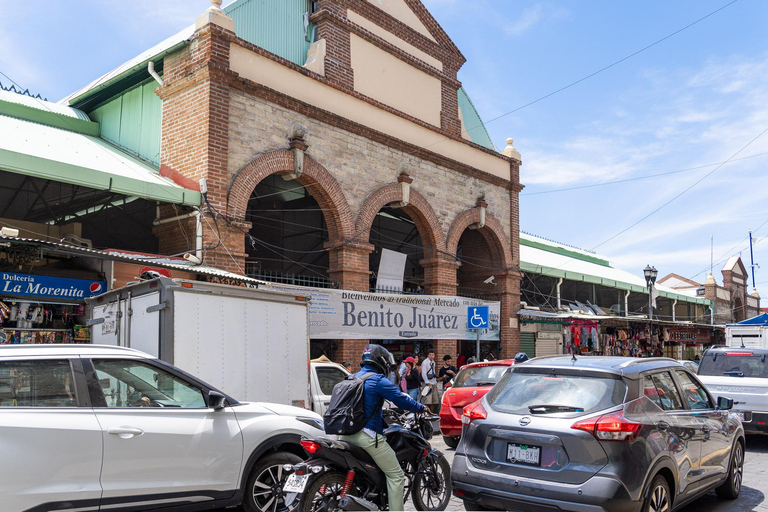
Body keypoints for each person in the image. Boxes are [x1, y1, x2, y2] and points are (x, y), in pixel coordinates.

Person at [340, 344, 425, 512]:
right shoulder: (377, 380)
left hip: (343, 436)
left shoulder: (351, 378)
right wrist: (421, 407)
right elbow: (400, 399)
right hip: (366, 437)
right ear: (381, 362)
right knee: (396, 475)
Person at [421, 348, 439, 413]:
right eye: (430, 355)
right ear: (428, 355)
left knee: (434, 401)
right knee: (427, 401)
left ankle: (431, 413)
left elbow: (433, 372)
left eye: (433, 355)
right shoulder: (425, 362)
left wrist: (435, 382)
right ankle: (426, 413)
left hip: (433, 382)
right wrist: (427, 382)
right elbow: (423, 373)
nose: (432, 356)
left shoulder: (433, 362)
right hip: (428, 383)